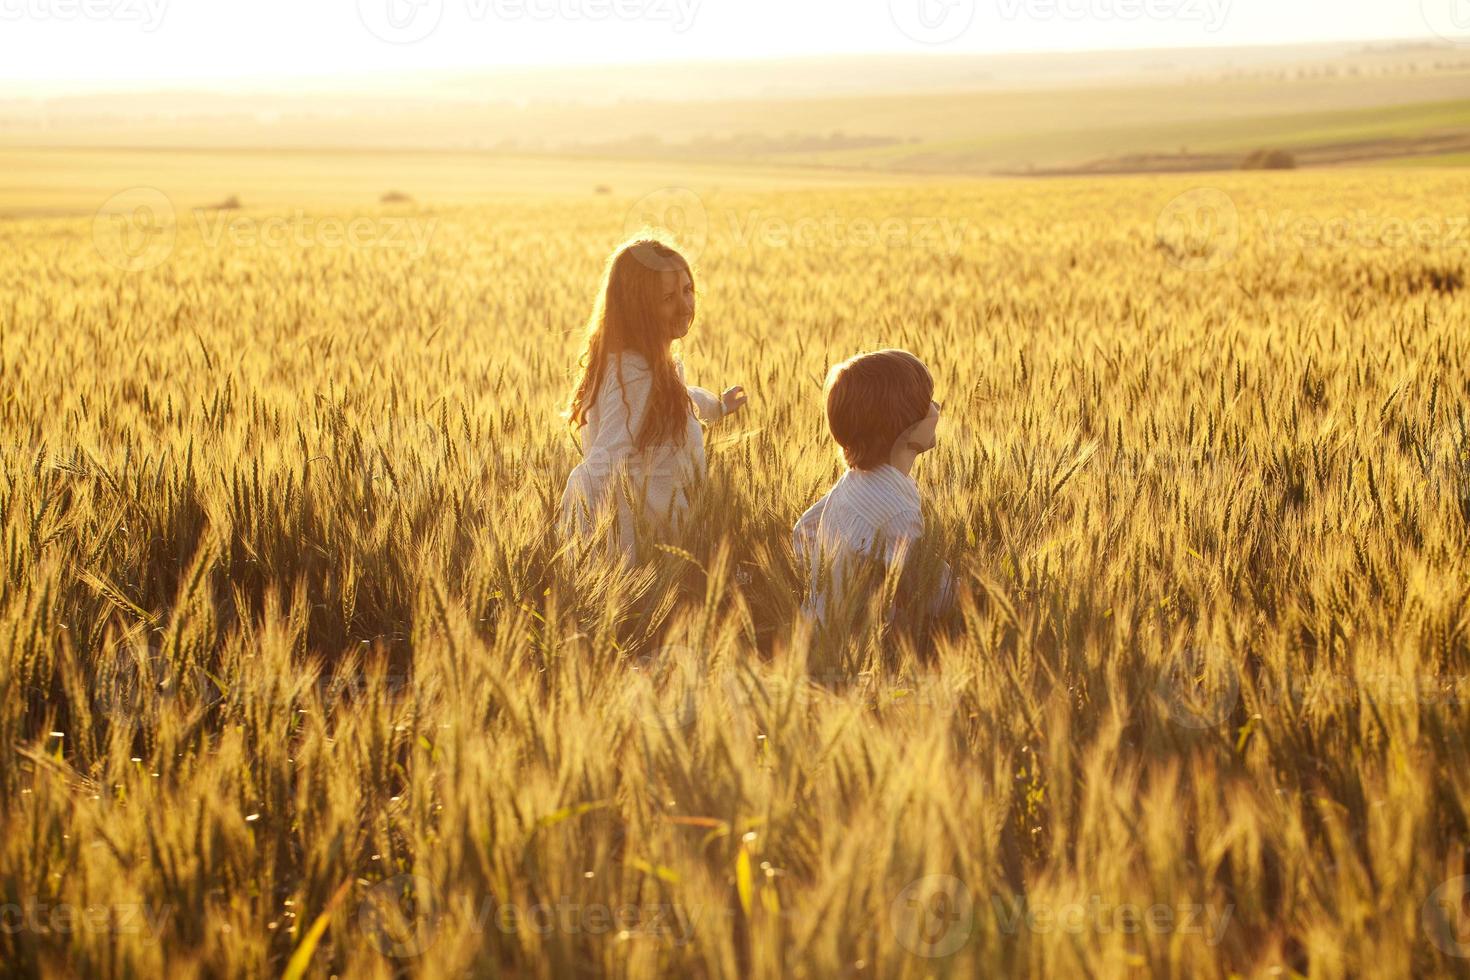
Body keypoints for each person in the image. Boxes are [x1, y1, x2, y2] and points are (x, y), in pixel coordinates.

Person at [560, 238, 748, 560]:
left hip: (669, 539)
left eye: (688, 290)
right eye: (668, 297)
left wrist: (715, 406)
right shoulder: (634, 373)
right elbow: (606, 457)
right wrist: (576, 530)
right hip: (646, 549)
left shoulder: (650, 363)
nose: (686, 305)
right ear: (639, 306)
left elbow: (672, 400)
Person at [792, 349, 952, 626]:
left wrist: (828, 583)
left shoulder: (853, 482)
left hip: (819, 634)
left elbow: (803, 530)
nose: (937, 407)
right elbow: (935, 595)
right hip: (859, 653)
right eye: (928, 401)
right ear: (905, 423)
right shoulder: (895, 511)